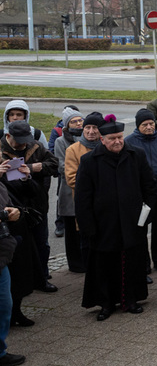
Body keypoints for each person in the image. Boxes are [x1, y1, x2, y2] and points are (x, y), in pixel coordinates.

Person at [75, 117, 156, 321]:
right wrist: (88, 226)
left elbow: (149, 186)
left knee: (132, 262)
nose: (118, 142)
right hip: (103, 224)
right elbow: (83, 198)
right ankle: (106, 303)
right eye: (112, 139)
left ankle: (131, 299)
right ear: (103, 140)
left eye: (120, 137)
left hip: (132, 221)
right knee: (104, 265)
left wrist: (146, 214)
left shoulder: (136, 155)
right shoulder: (89, 161)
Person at [1, 117, 58, 295]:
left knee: (42, 244)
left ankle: (42, 279)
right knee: (20, 249)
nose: (24, 145)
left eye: (27, 141)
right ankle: (18, 286)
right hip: (11, 210)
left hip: (36, 205)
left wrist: (33, 168)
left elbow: (55, 165)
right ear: (9, 136)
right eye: (20, 142)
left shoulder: (36, 146)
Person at [124, 108, 157, 272]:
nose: (149, 127)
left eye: (151, 123)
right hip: (141, 194)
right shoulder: (130, 141)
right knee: (140, 228)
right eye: (145, 124)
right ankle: (143, 263)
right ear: (138, 126)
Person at [64, 112, 105, 273]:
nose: (91, 131)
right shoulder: (73, 150)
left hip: (106, 206)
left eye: (95, 127)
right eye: (87, 127)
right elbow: (72, 179)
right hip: (86, 204)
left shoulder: (106, 145)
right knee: (88, 242)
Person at [53, 108, 84, 268]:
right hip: (68, 189)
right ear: (67, 125)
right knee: (71, 229)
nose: (78, 124)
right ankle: (74, 262)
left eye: (80, 120)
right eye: (74, 121)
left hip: (84, 190)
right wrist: (83, 172)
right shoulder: (60, 141)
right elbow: (61, 166)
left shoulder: (87, 138)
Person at [0, 180, 24, 366]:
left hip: (2, 255)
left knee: (4, 305)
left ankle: (0, 351)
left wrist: (14, 211)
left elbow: (8, 207)